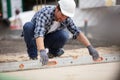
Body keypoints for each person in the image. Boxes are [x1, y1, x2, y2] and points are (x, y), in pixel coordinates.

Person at [23, 0, 102, 65]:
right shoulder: (45, 13)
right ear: (57, 8)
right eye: (63, 15)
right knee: (28, 26)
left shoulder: (66, 18)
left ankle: (53, 53)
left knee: (63, 35)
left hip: (47, 38)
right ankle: (33, 56)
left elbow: (77, 32)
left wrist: (90, 48)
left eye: (66, 16)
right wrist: (42, 51)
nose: (63, 18)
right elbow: (39, 33)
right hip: (34, 38)